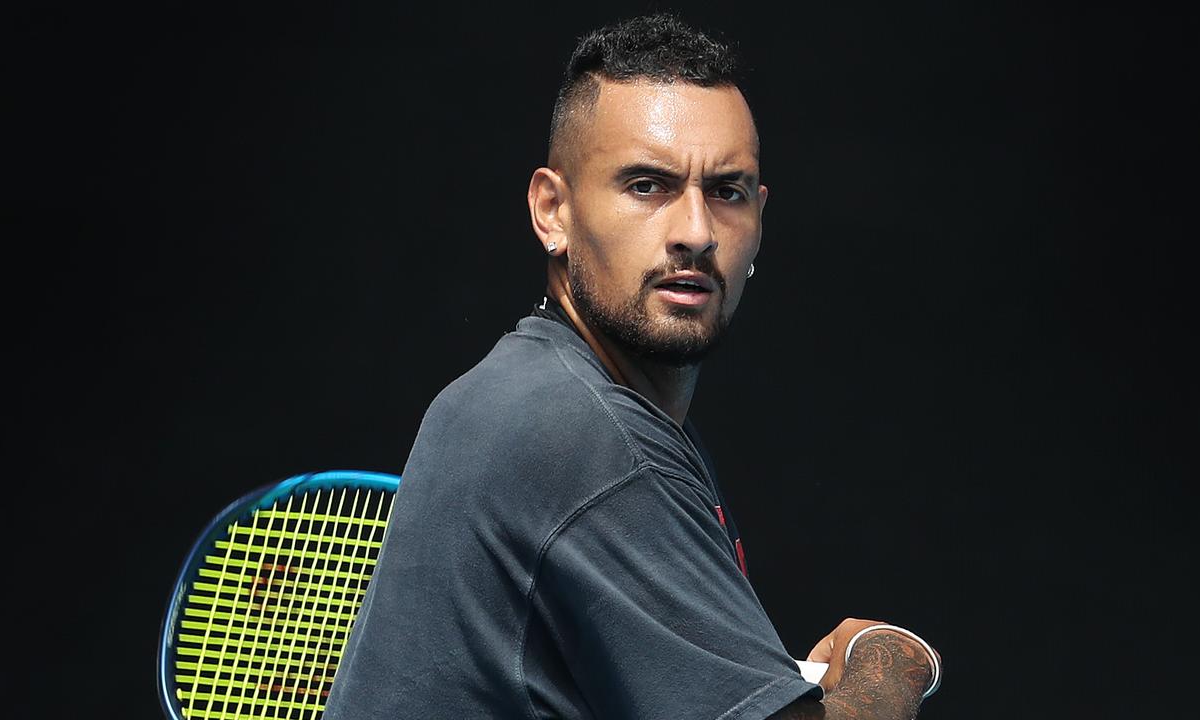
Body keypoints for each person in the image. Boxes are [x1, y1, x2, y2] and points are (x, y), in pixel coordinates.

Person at [325, 13, 941, 719]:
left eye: (727, 191)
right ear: (552, 210)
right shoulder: (579, 438)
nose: (696, 232)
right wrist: (889, 662)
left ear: (760, 221)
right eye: (647, 185)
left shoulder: (526, 394)